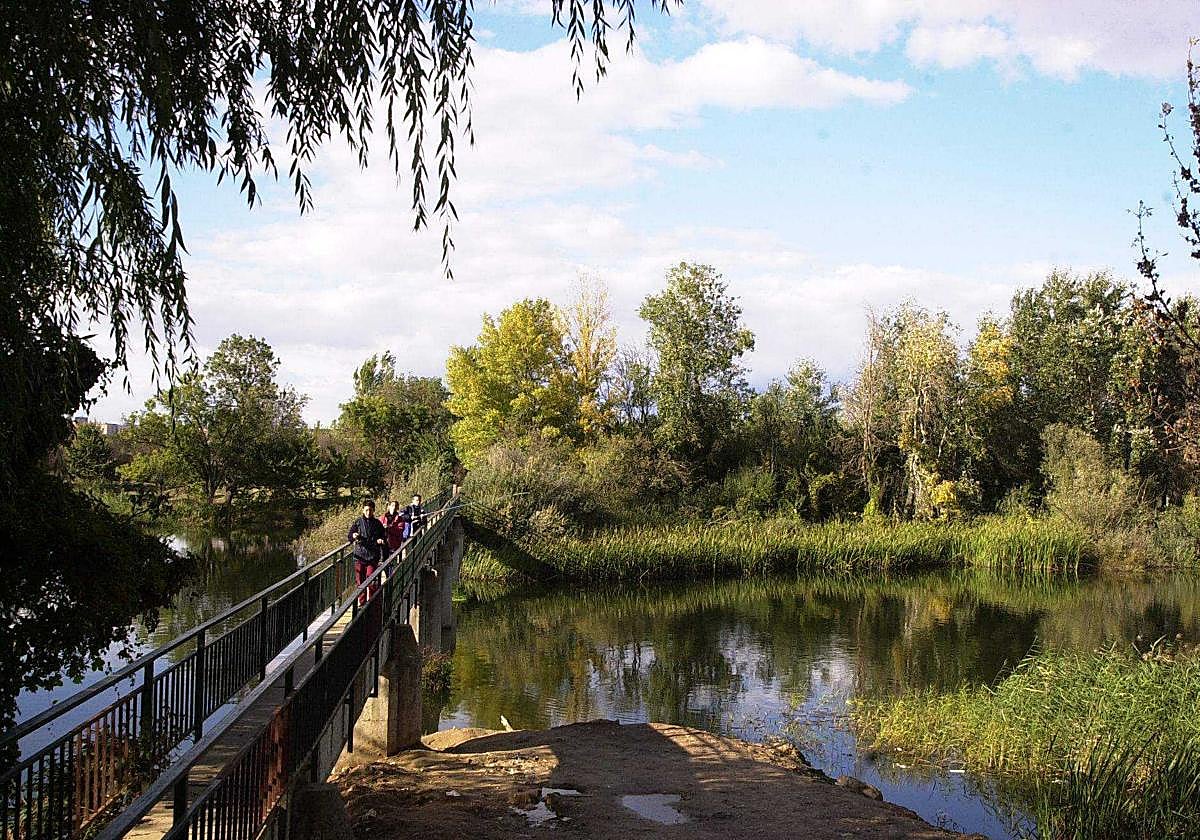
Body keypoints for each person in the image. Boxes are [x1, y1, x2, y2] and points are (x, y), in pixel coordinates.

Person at [348, 499, 386, 604]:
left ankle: (372, 603)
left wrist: (381, 540)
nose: (368, 512)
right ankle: (362, 604)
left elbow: (383, 536)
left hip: (372, 556)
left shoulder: (377, 523)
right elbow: (350, 536)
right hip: (359, 556)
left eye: (370, 510)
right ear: (363, 510)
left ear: (373, 511)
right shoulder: (358, 522)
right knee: (360, 583)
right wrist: (353, 535)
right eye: (366, 510)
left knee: (372, 580)